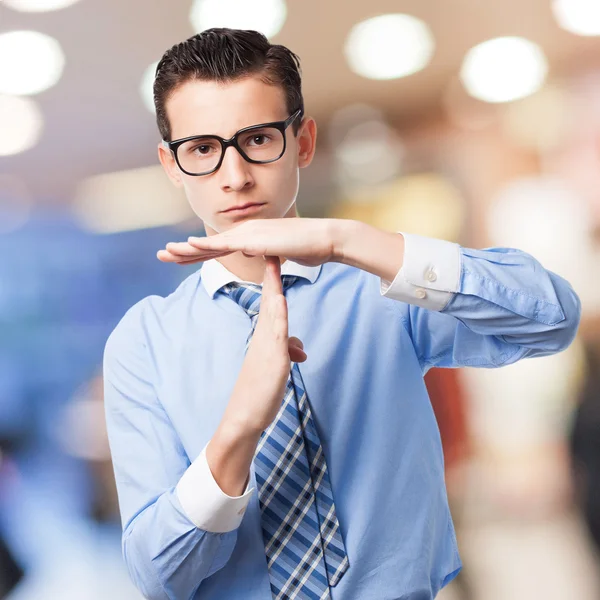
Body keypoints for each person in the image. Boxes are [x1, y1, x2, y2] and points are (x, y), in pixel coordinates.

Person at [103, 28, 581, 600]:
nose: (235, 176)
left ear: (303, 142)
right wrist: (238, 430)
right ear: (171, 164)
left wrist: (345, 238)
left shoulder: (384, 284)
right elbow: (159, 577)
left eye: (257, 138)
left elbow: (551, 316)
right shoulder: (146, 341)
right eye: (202, 149)